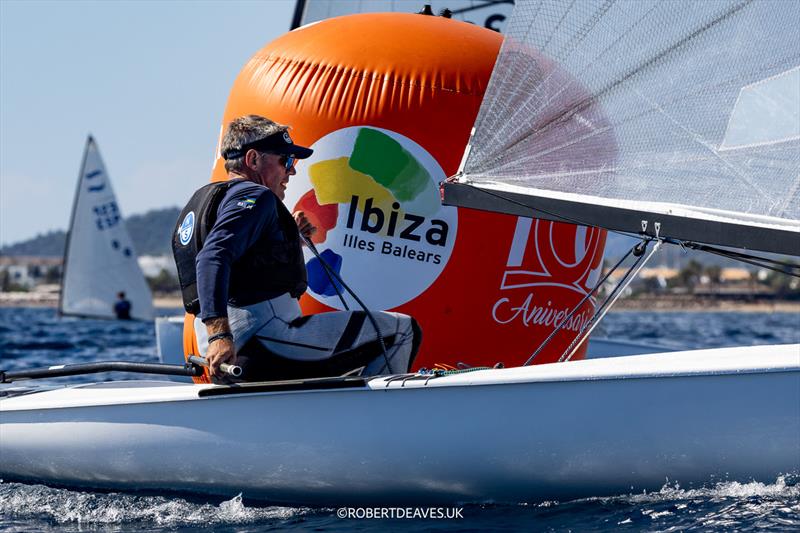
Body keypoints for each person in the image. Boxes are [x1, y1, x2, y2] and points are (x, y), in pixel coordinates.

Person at [173, 115, 421, 382]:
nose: (292, 171)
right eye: (286, 160)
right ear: (253, 159)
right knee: (401, 330)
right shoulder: (256, 196)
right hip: (265, 341)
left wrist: (288, 236)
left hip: (227, 355)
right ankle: (378, 419)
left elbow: (239, 262)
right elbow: (213, 256)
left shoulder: (202, 200)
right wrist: (219, 335)